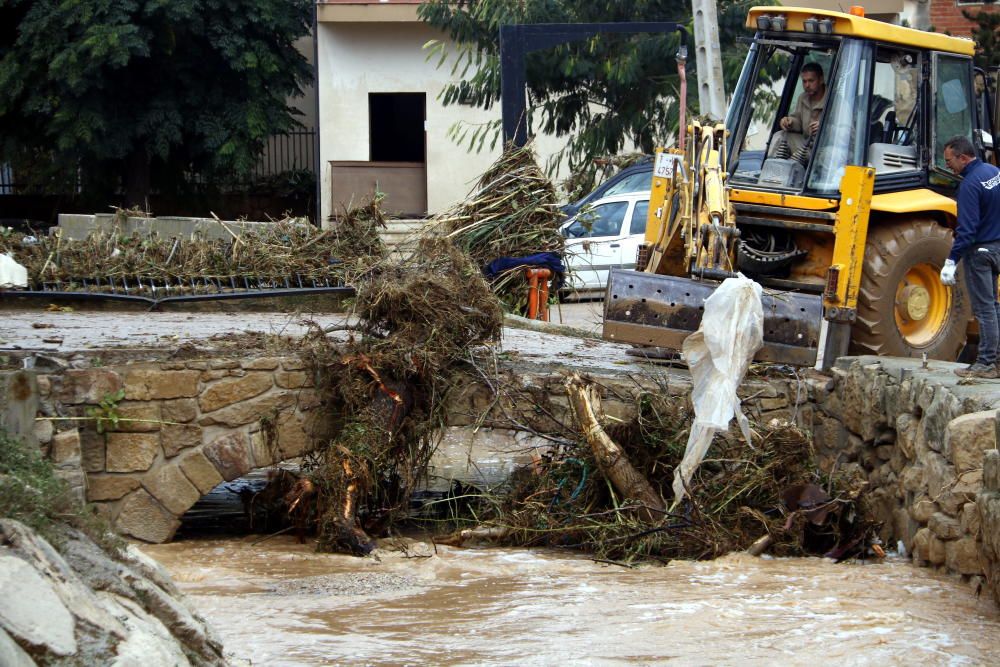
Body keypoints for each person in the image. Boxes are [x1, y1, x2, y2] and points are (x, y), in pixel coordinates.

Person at [939, 135, 1000, 378]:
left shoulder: (969, 185)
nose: (948, 166)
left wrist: (951, 260)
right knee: (994, 306)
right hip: (997, 248)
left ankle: (985, 363)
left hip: (981, 253)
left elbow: (967, 229)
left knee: (984, 309)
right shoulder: (994, 171)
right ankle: (995, 361)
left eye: (949, 160)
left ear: (963, 157)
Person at [768, 63, 827, 157]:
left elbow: (848, 134)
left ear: (821, 80)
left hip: (825, 150)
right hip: (806, 146)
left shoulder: (835, 100)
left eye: (811, 81)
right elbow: (798, 121)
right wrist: (790, 122)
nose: (807, 85)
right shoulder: (803, 98)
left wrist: (825, 127)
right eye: (804, 81)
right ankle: (771, 168)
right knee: (780, 135)